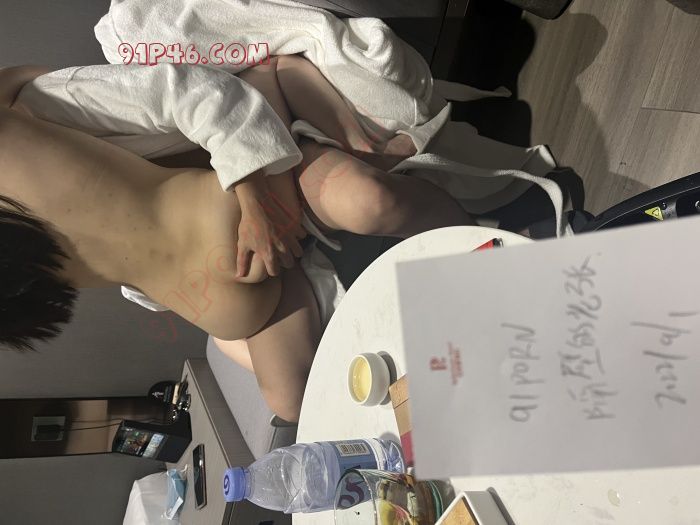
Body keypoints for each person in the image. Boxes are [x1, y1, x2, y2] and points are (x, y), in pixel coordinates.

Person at [1, 56, 472, 421]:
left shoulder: (24, 124)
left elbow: (194, 92)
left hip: (264, 192)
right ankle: (445, 400)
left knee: (371, 201)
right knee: (291, 402)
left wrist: (254, 205)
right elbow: (121, 256)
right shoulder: (13, 279)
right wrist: (195, 301)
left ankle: (481, 260)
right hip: (235, 286)